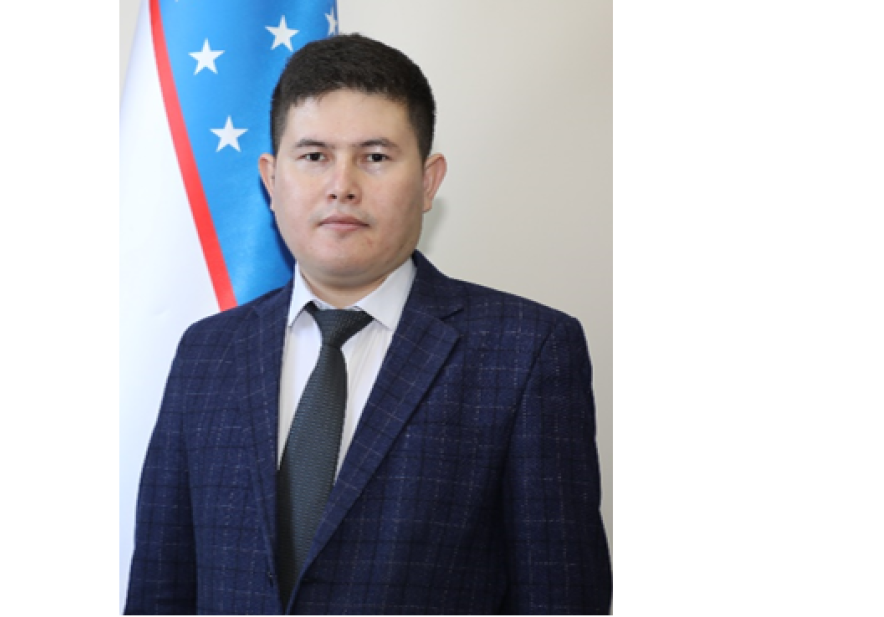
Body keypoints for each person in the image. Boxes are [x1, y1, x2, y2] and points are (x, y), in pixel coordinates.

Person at [125, 33, 612, 615]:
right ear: (271, 179)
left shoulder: (526, 352)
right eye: (314, 156)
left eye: (375, 157)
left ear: (428, 181)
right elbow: (160, 591)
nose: (342, 186)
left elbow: (561, 598)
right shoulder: (207, 352)